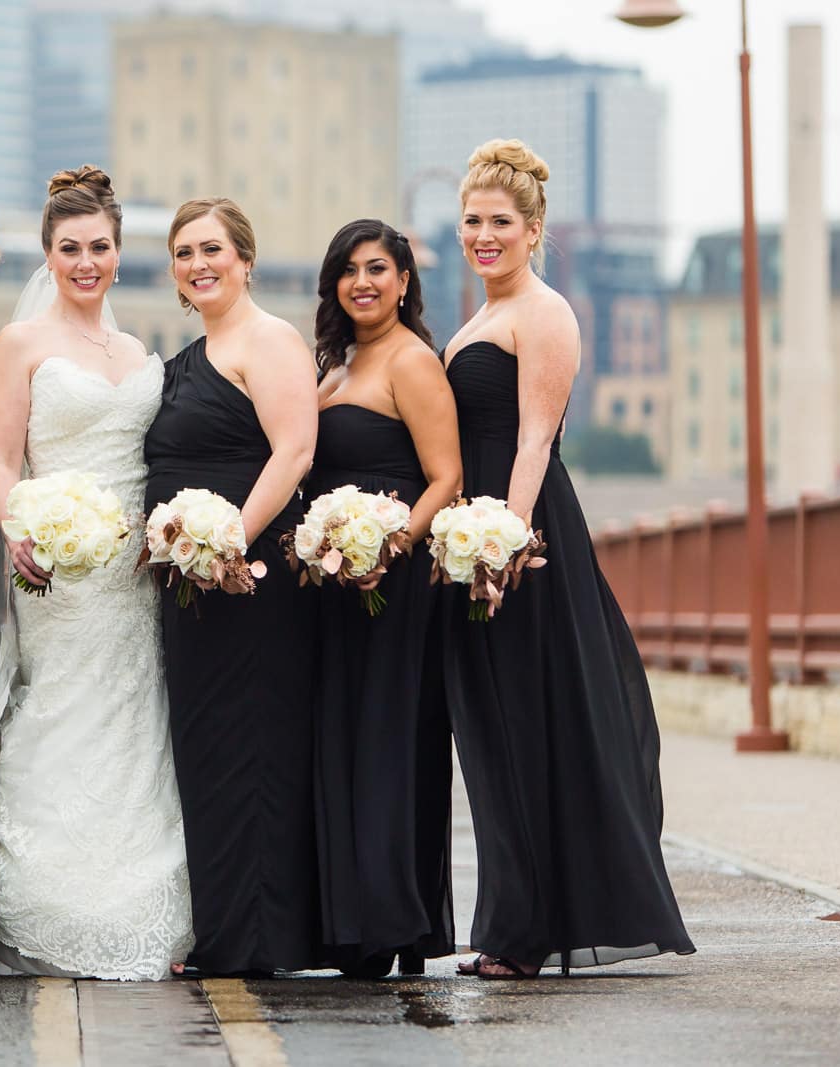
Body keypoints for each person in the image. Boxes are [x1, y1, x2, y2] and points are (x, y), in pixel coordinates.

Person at [440, 139, 695, 979]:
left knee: (528, 722)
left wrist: (502, 546)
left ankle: (525, 930)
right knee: (490, 733)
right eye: (473, 220)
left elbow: (534, 438)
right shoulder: (475, 318)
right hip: (472, 539)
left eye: (500, 223)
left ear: (534, 228)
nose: (484, 235)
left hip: (524, 542)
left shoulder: (545, 312)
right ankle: (516, 918)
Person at [0, 166, 192, 981]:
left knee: (137, 717)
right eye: (70, 248)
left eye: (100, 246)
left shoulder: (136, 348)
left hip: (133, 570)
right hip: (57, 571)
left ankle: (145, 895)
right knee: (58, 709)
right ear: (48, 254)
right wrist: (20, 527)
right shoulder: (21, 345)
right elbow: (0, 458)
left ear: (117, 250)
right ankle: (42, 896)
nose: (86, 262)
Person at [143, 198, 321, 975]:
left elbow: (294, 453)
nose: (198, 263)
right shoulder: (185, 356)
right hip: (192, 587)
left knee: (253, 746)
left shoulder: (271, 340)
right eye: (184, 253)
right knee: (205, 750)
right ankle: (222, 927)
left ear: (244, 259)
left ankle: (255, 938)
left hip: (250, 581)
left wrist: (230, 543)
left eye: (212, 248)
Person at [307, 220, 461, 977]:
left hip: (394, 585)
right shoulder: (332, 366)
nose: (362, 282)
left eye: (378, 269)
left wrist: (390, 540)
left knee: (392, 743)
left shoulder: (411, 360)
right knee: (340, 741)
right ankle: (348, 921)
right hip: (334, 584)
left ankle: (397, 921)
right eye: (349, 270)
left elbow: (446, 478)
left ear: (404, 280)